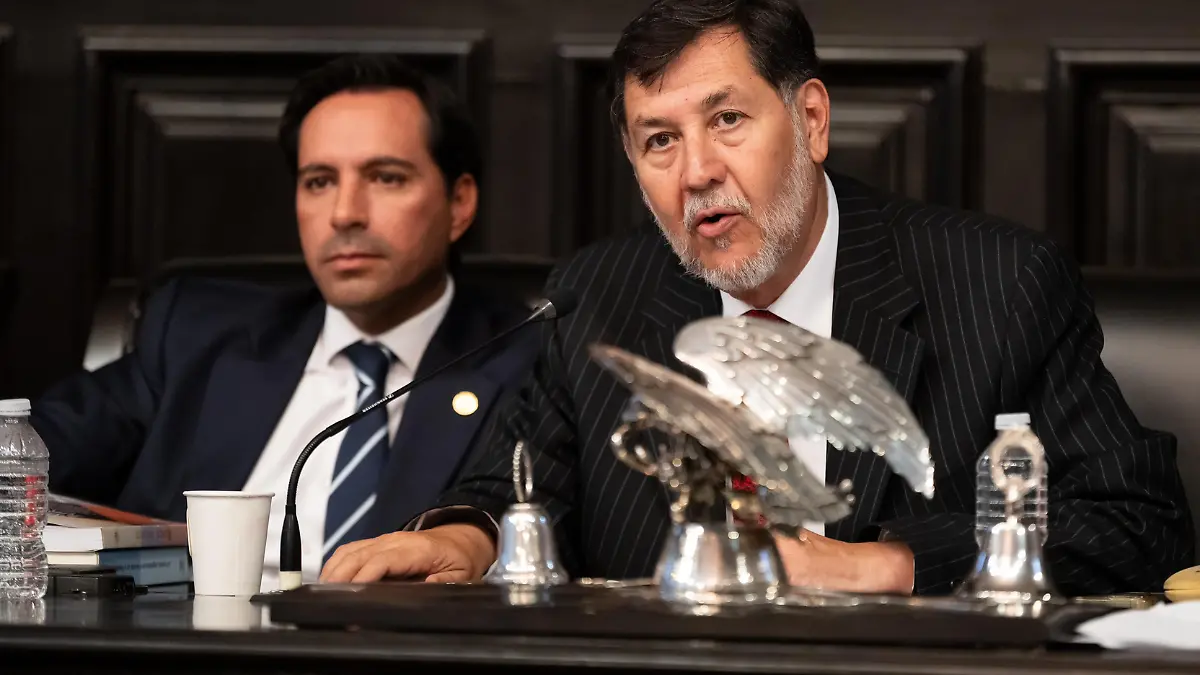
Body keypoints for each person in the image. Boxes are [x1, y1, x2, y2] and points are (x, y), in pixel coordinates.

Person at [320, 0, 1195, 596]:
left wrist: (881, 565)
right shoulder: (600, 294)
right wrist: (463, 540)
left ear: (811, 120)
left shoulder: (996, 285)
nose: (697, 171)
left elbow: (1138, 524)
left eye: (727, 120)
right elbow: (519, 484)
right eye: (659, 141)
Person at [32, 54, 537, 590]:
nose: (344, 213)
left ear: (459, 203)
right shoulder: (197, 334)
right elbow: (30, 451)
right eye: (319, 181)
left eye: (386, 178)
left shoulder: (529, 360)